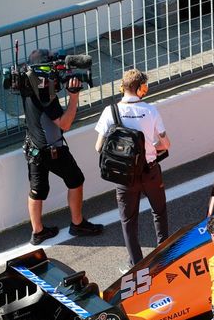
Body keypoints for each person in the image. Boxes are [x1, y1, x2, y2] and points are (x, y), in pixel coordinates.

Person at [23, 49, 103, 245]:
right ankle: (78, 224)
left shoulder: (27, 83)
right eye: (52, 67)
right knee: (76, 180)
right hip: (52, 150)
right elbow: (65, 124)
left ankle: (38, 232)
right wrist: (74, 97)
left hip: (32, 147)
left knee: (37, 190)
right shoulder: (45, 94)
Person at [95, 69, 170, 269]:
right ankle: (164, 257)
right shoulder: (150, 110)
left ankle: (136, 265)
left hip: (124, 176)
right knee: (159, 212)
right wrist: (151, 147)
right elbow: (166, 144)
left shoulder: (110, 112)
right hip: (150, 171)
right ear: (138, 88)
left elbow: (98, 147)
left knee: (128, 221)